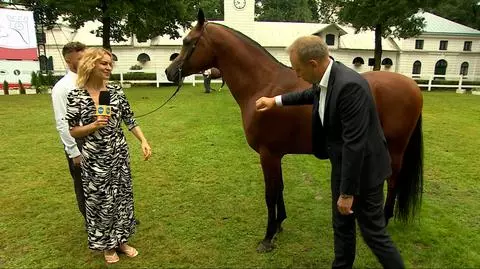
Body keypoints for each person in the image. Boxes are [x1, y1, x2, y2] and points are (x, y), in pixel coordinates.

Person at [255, 35, 405, 269]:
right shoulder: (327, 78)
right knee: (342, 225)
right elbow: (310, 95)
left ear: (313, 64)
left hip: (364, 172)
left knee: (374, 235)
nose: (297, 75)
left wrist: (347, 193)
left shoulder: (350, 86)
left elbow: (354, 144)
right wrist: (275, 101)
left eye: (298, 70)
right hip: (344, 167)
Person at [65, 47, 152, 264]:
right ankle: (107, 246)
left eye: (110, 63)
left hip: (119, 155)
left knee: (122, 199)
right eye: (103, 63)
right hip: (95, 158)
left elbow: (129, 119)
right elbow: (73, 130)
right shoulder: (75, 95)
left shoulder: (115, 92)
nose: (108, 67)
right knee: (101, 202)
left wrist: (143, 140)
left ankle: (121, 240)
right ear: (90, 65)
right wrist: (93, 125)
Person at [51, 41, 87, 220]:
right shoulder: (62, 88)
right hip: (78, 142)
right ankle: (92, 223)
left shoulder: (92, 81)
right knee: (83, 184)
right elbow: (62, 122)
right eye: (80, 58)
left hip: (97, 139)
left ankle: (114, 218)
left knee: (104, 182)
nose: (85, 61)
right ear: (68, 60)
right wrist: (74, 152)